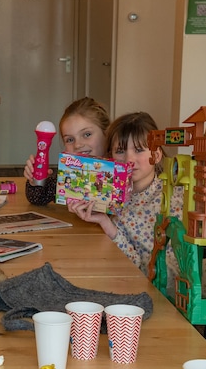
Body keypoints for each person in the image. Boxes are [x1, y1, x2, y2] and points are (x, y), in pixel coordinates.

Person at [68, 111, 184, 272]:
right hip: (125, 277)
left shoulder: (174, 198)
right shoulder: (109, 195)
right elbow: (130, 263)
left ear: (156, 155)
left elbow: (168, 272)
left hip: (166, 290)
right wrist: (104, 222)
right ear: (111, 156)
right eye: (120, 151)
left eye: (138, 149)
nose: (129, 159)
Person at [22, 96, 112, 206]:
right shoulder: (69, 174)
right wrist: (36, 181)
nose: (78, 145)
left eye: (87, 134)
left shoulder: (121, 173)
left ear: (107, 133)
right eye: (70, 139)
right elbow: (37, 198)